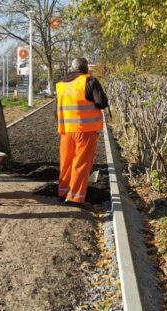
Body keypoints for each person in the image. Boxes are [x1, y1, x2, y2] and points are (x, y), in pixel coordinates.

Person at [55, 58, 108, 204]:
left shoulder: (61, 85)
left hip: (65, 130)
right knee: (81, 164)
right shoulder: (89, 81)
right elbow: (102, 103)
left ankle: (63, 192)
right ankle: (75, 198)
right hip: (85, 130)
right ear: (85, 69)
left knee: (66, 162)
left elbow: (57, 109)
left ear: (72, 68)